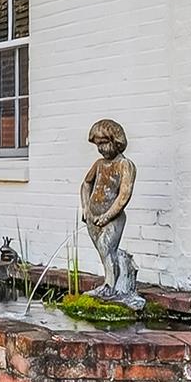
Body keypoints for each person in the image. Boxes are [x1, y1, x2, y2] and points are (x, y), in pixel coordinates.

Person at [79, 118, 142, 307]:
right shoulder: (99, 164)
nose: (101, 149)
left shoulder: (125, 165)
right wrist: (86, 207)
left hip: (112, 218)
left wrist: (107, 216)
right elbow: (86, 183)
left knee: (107, 247)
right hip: (92, 217)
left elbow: (124, 195)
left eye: (104, 143)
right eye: (98, 145)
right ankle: (110, 284)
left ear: (116, 141)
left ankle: (113, 287)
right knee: (102, 250)